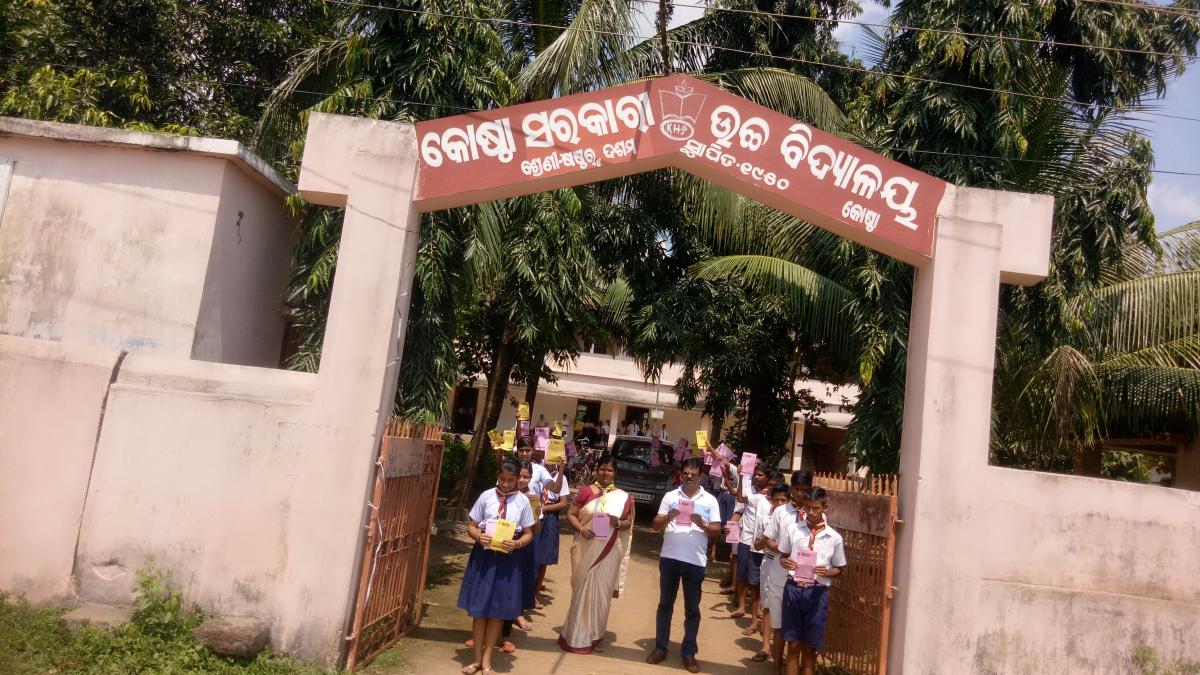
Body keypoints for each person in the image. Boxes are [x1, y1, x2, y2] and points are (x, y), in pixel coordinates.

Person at [457, 457, 536, 675]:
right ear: (497, 476)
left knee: (497, 611)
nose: (506, 484)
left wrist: (517, 543)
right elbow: (471, 526)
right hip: (484, 558)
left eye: (511, 480)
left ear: (518, 479)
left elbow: (529, 533)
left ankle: (487, 661)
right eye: (502, 479)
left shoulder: (522, 502)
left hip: (508, 561)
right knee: (480, 610)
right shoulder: (486, 496)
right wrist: (478, 536)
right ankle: (476, 660)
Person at [646, 458, 721, 673]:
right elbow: (655, 525)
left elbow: (717, 531)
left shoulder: (710, 500)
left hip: (695, 561)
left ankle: (688, 653)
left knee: (692, 609)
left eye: (694, 474)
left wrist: (702, 525)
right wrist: (668, 517)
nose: (689, 477)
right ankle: (661, 647)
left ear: (700, 476)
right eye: (686, 473)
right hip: (670, 558)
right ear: (681, 474)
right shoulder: (671, 496)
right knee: (665, 605)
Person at [558, 454, 634, 654]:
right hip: (585, 546)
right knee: (581, 590)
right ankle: (574, 635)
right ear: (596, 470)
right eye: (602, 469)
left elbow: (628, 523)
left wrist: (617, 522)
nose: (605, 473)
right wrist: (582, 529)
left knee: (602, 595)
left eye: (609, 470)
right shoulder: (585, 491)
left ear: (615, 473)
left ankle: (596, 635)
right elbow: (571, 514)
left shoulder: (624, 497)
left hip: (609, 550)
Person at [777, 487, 846, 675]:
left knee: (809, 648)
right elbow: (783, 557)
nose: (812, 512)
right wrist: (785, 562)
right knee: (793, 644)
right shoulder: (793, 530)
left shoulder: (834, 538)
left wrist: (828, 572)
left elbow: (840, 569)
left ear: (825, 508)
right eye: (808, 507)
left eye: (816, 508)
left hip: (816, 592)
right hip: (793, 589)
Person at [760, 470, 816, 674]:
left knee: (800, 630)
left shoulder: (815, 514)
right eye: (797, 489)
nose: (800, 493)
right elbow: (767, 539)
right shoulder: (780, 512)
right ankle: (776, 666)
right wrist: (783, 550)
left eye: (804, 489)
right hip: (779, 576)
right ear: (791, 488)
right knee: (779, 625)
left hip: (804, 580)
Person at [730, 464, 772, 642]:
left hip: (767, 547)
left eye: (760, 475)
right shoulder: (753, 494)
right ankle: (742, 606)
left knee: (759, 581)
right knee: (744, 575)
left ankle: (760, 612)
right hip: (747, 539)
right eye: (755, 474)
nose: (756, 477)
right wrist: (740, 478)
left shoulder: (773, 500)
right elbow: (739, 497)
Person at [754, 482, 793, 671]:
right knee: (768, 605)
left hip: (788, 566)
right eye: (776, 499)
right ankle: (766, 646)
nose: (779, 503)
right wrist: (770, 542)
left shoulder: (794, 517)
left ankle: (782, 652)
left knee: (785, 609)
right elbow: (758, 543)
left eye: (783, 500)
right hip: (770, 562)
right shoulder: (767, 517)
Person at [534, 461, 570, 609]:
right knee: (530, 553)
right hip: (533, 513)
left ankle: (536, 592)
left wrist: (545, 508)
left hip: (549, 518)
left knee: (543, 556)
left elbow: (563, 502)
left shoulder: (560, 477)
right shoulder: (535, 471)